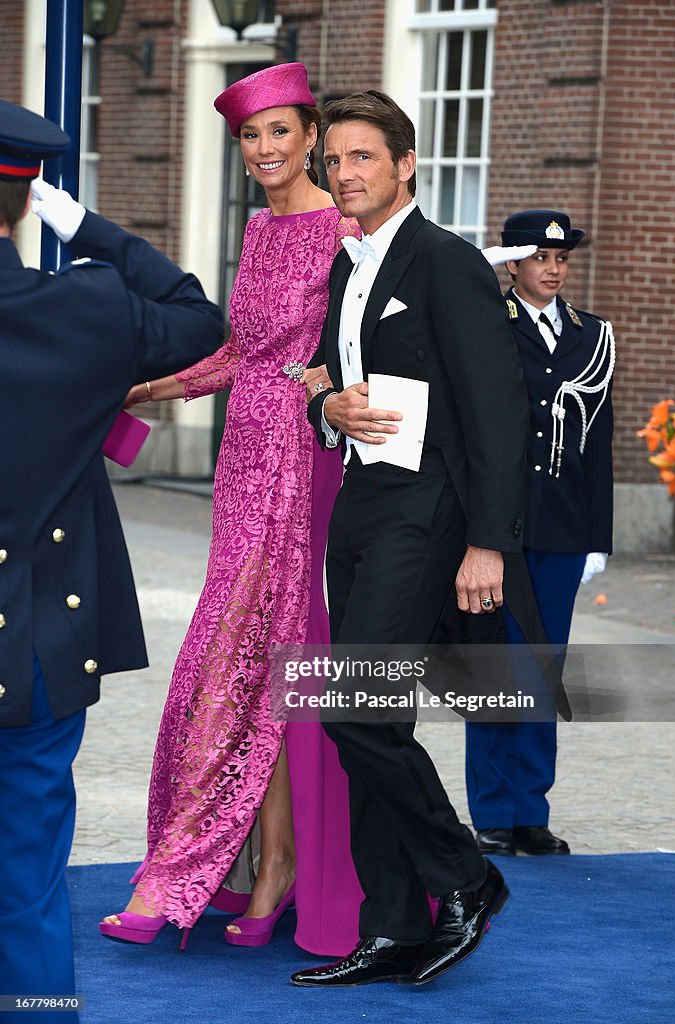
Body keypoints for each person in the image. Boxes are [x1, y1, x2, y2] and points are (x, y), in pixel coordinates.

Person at [290, 91, 564, 990]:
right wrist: (323, 407)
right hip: (360, 508)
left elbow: (499, 412)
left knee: (352, 710)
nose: (345, 175)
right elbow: (331, 387)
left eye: (363, 157)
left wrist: (488, 543)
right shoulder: (344, 266)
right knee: (378, 718)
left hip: (428, 512)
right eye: (334, 161)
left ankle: (466, 877)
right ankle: (392, 925)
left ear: (406, 165)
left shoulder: (446, 262)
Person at [99, 62, 363, 955]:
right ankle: (268, 865)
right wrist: (152, 388)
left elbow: (336, 359)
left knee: (238, 665)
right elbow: (240, 354)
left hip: (296, 467)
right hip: (239, 466)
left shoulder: (344, 231)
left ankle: (191, 871)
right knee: (257, 669)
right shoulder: (257, 231)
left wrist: (310, 384)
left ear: (311, 135)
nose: (264, 151)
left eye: (280, 133)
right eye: (251, 137)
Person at [0, 100, 223, 1018]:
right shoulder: (87, 310)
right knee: (28, 876)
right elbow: (197, 317)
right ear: (23, 199)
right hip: (40, 648)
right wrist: (89, 230)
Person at [467, 209, 614, 857]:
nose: (553, 269)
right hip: (497, 528)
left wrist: (599, 537)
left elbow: (599, 445)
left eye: (561, 259)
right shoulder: (483, 321)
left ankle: (531, 809)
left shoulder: (592, 335)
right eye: (539, 257)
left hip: (561, 528)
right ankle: (494, 811)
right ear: (514, 261)